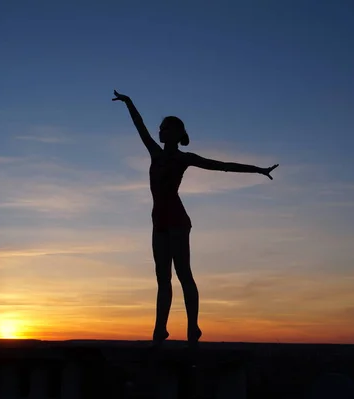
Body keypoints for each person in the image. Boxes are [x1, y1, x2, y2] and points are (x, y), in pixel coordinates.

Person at [112, 90, 279, 347]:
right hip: (158, 222)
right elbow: (140, 125)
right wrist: (128, 102)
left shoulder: (184, 159)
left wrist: (258, 170)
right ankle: (160, 330)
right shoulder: (155, 153)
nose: (160, 131)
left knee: (183, 274)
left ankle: (193, 327)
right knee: (162, 278)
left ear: (177, 134)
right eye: (160, 128)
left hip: (177, 221)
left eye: (165, 128)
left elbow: (222, 165)